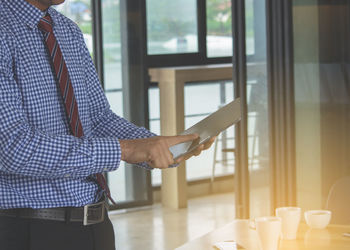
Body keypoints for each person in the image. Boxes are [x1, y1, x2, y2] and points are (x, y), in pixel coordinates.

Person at [0, 0, 215, 250]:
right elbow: (12, 147)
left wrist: (157, 146)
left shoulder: (67, 30)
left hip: (95, 224)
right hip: (29, 231)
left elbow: (98, 117)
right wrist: (125, 149)